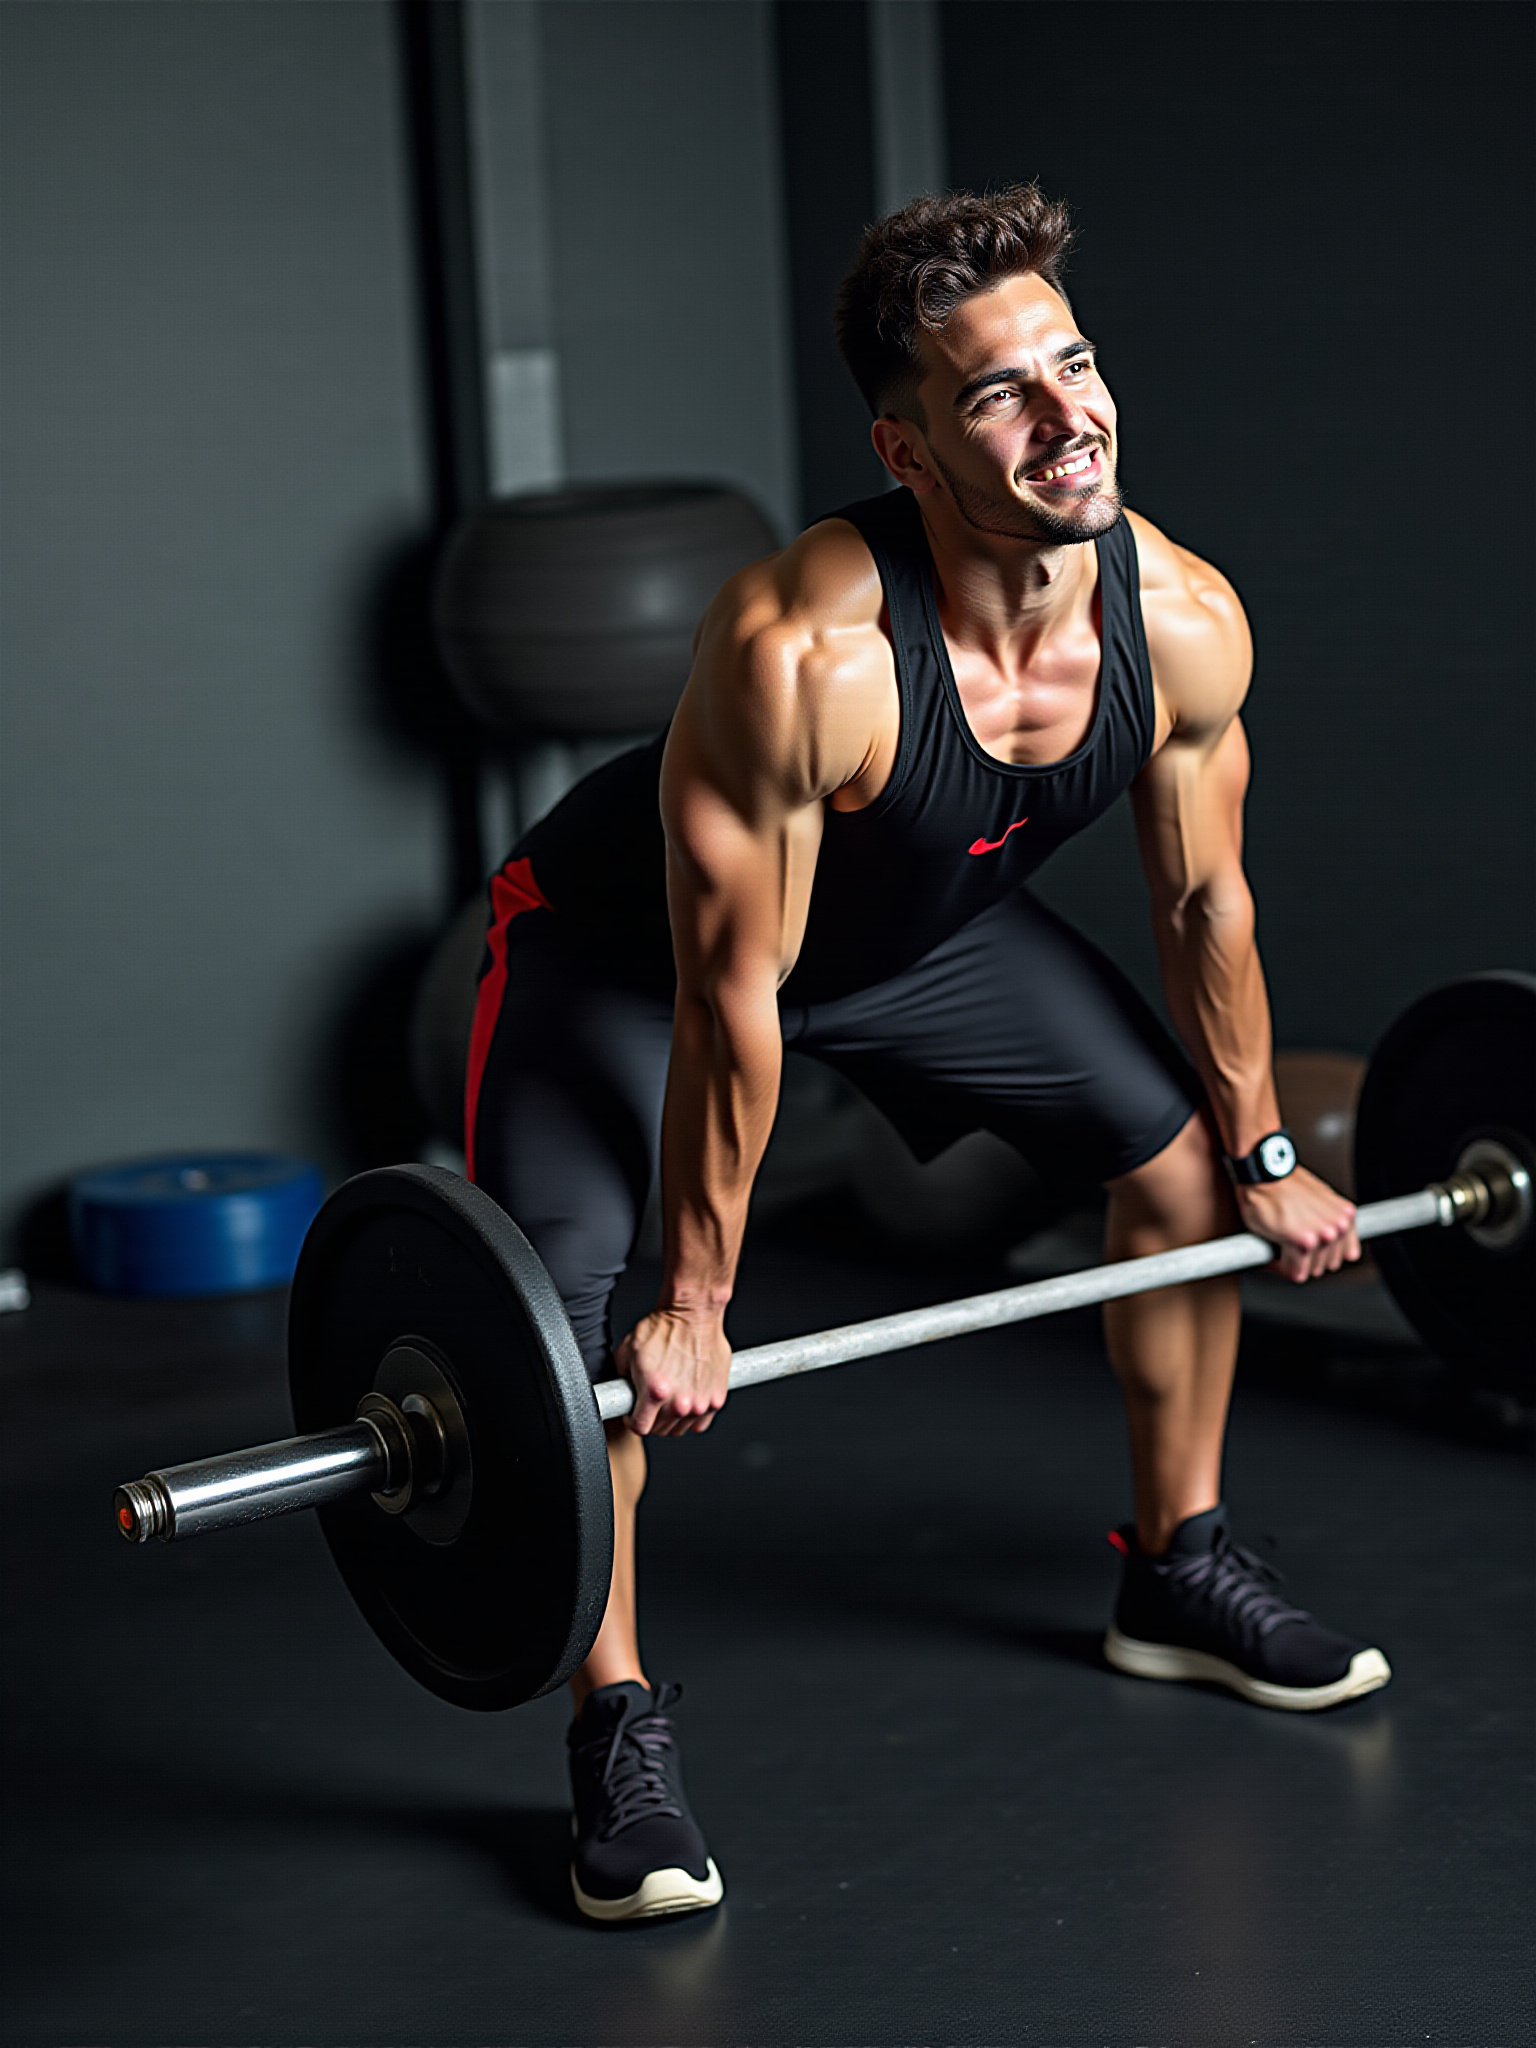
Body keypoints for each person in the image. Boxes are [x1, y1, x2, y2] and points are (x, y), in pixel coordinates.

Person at [464, 186, 1389, 1924]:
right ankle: (615, 1726)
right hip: (625, 968)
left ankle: (1174, 1569)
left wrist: (1267, 1157)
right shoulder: (800, 650)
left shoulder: (1178, 618)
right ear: (905, 446)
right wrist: (694, 1295)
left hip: (914, 942)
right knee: (585, 1355)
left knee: (1175, 1174)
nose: (1068, 419)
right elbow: (733, 996)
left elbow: (1206, 907)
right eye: (1000, 396)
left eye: (1078, 365)